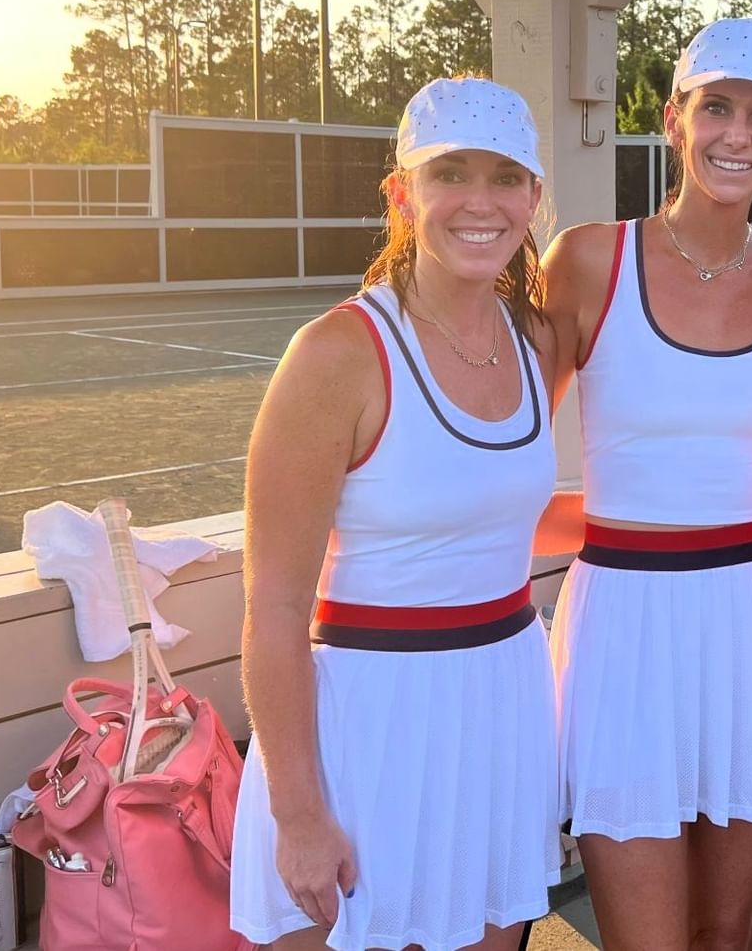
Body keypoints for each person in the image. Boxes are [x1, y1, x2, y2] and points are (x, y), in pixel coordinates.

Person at [231, 78, 563, 951]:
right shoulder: (335, 354)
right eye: (450, 173)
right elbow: (273, 608)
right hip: (368, 734)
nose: (480, 201)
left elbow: (488, 510)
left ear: (533, 197)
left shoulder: (537, 341)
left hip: (502, 713)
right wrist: (299, 813)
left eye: (505, 177)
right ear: (402, 194)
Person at [540, 18, 752, 951]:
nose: (737, 135)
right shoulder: (587, 259)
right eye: (716, 108)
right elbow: (500, 442)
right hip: (622, 631)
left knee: (726, 931)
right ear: (674, 119)